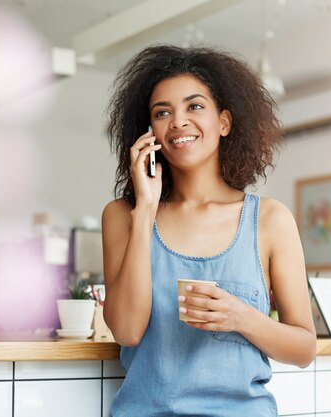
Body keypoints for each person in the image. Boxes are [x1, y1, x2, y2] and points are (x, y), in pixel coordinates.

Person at [101, 45, 316, 417]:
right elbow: (126, 332)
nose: (178, 121)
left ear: (225, 122)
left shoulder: (270, 220)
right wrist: (146, 208)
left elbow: (303, 349)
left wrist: (242, 317)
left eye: (194, 106)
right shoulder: (124, 215)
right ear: (150, 132)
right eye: (162, 113)